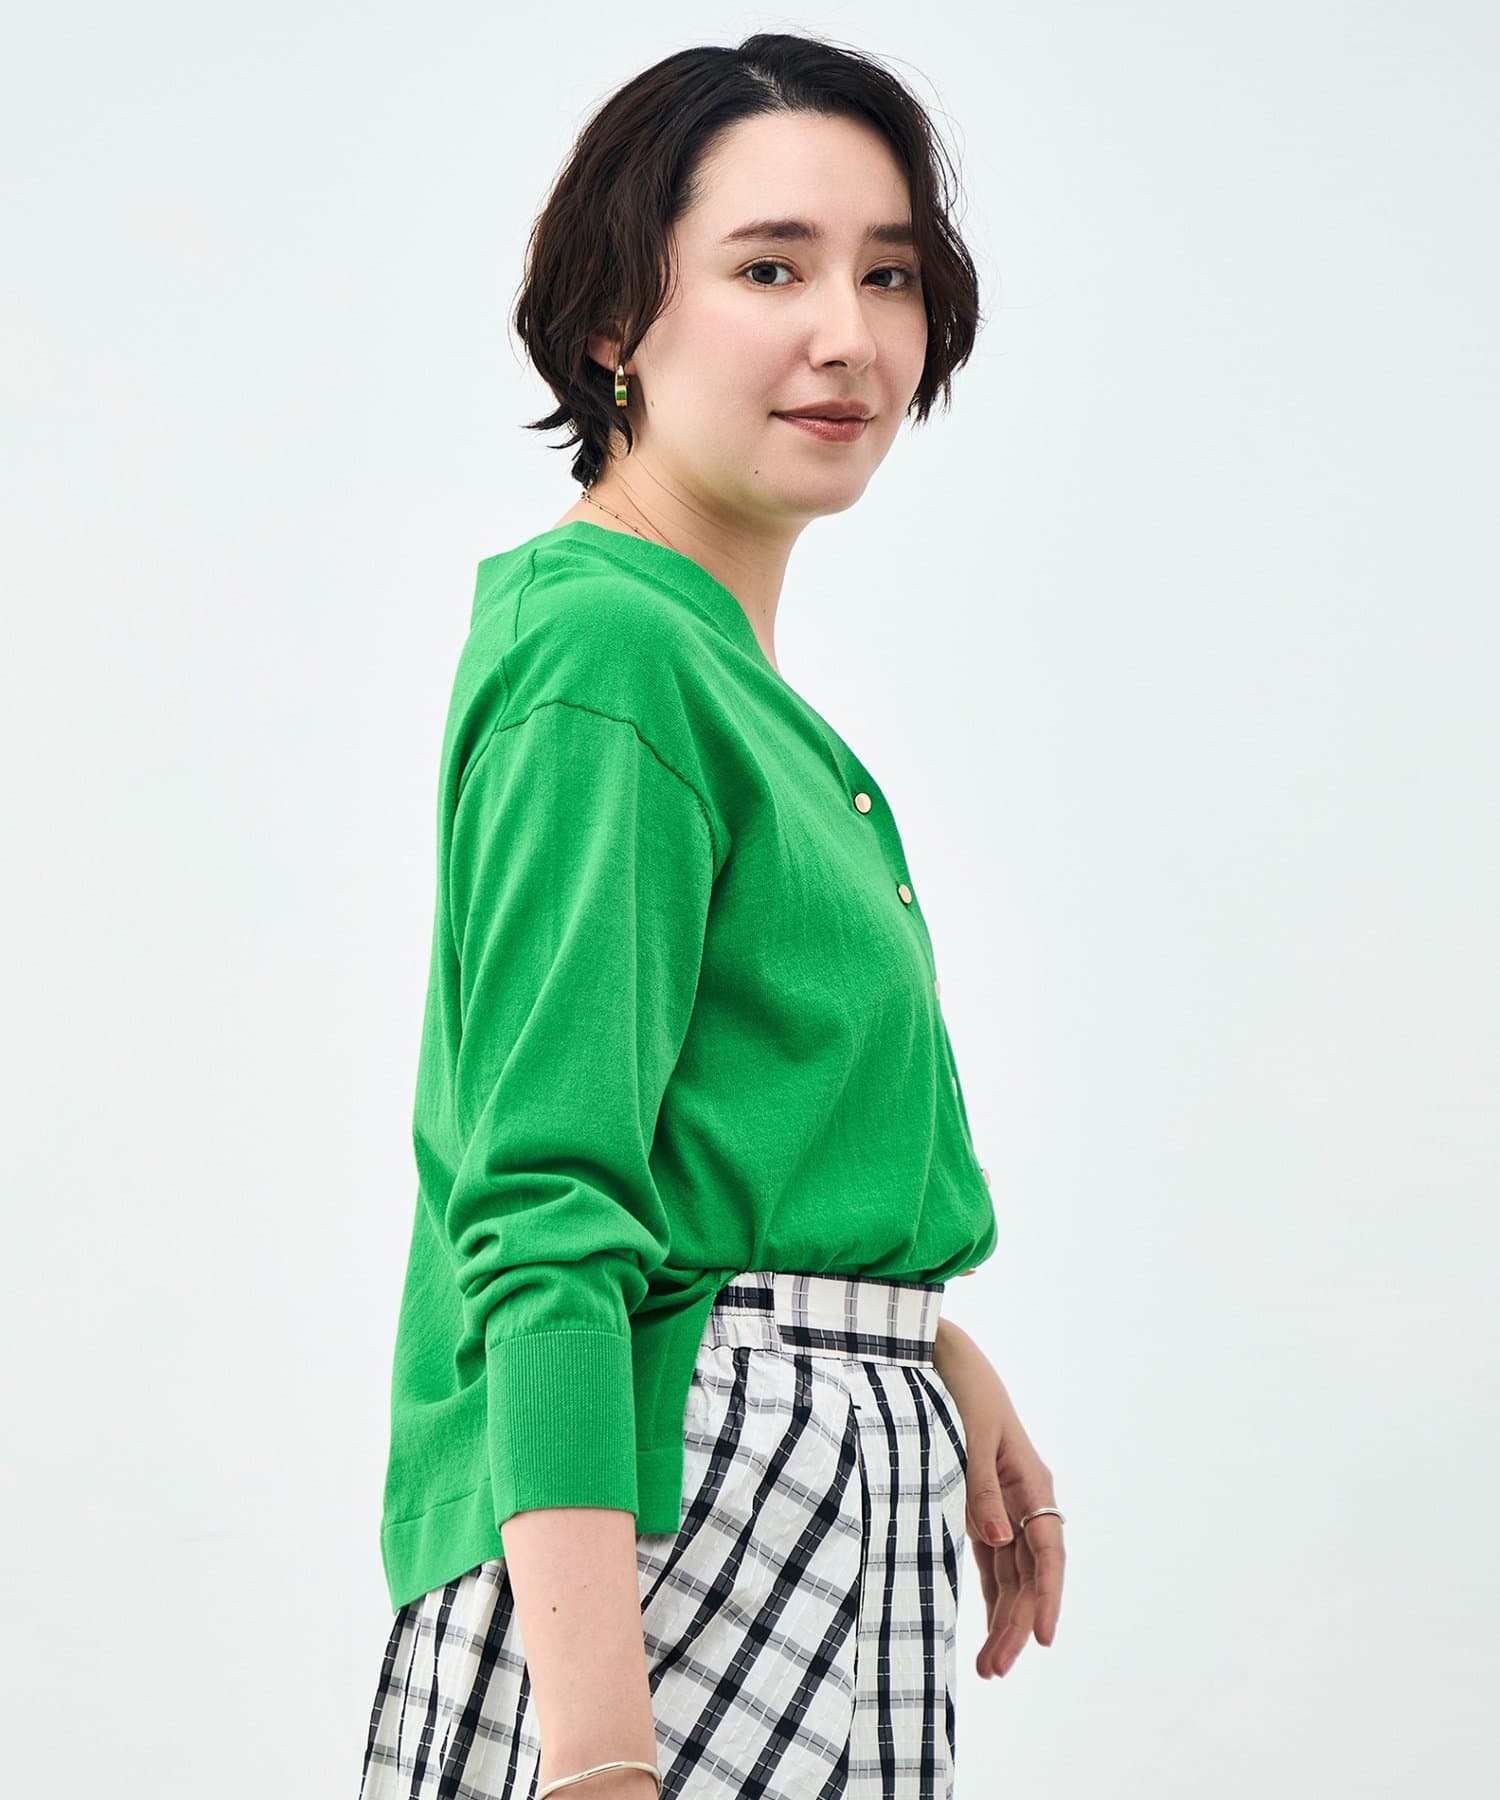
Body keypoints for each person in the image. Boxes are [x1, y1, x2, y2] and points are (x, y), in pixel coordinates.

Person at [358, 31, 1065, 1800]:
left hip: (806, 1512)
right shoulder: (610, 656)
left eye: (887, 273)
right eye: (769, 268)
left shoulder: (708, 671)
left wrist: (919, 1343)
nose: (850, 335)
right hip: (674, 1543)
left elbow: (712, 1156)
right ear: (614, 319)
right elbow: (545, 1213)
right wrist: (599, 1757)